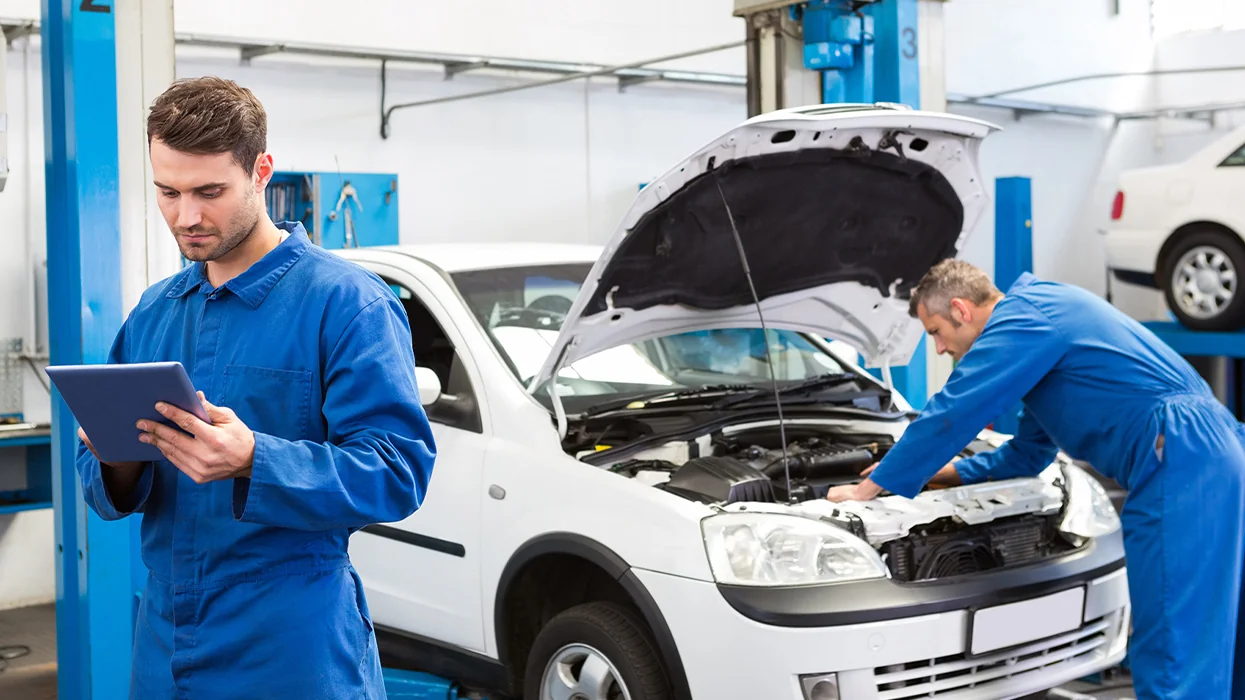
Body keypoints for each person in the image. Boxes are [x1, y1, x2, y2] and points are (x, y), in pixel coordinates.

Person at [74, 76, 437, 699]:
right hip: (164, 641)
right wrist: (116, 460)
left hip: (291, 642)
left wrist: (253, 459)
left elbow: (398, 471)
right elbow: (104, 487)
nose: (185, 216)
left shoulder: (347, 306)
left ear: (261, 171)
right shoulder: (154, 312)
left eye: (209, 192)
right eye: (167, 192)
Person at [824, 259, 1245, 700]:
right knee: (1208, 625)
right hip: (1208, 450)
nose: (940, 349)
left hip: (1180, 455)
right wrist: (941, 474)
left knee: (1172, 634)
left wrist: (871, 487)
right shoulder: (1042, 326)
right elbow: (1028, 454)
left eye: (935, 332)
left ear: (961, 310)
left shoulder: (1025, 319)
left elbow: (956, 408)